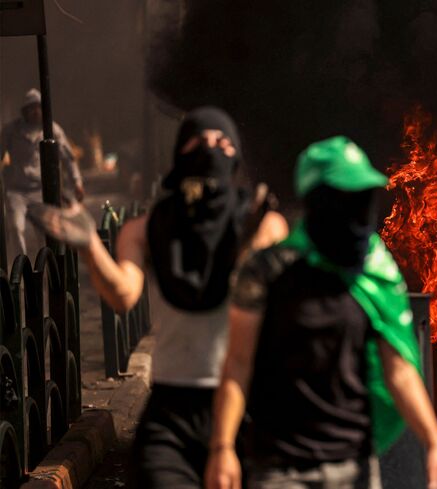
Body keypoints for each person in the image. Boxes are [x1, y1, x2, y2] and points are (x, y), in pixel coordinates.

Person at [29, 107, 288, 488]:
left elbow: (258, 302)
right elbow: (122, 295)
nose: (211, 148)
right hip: (173, 411)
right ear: (180, 152)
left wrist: (245, 242)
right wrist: (89, 246)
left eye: (223, 141)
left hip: (248, 408)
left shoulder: (263, 222)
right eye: (200, 141)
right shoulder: (147, 228)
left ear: (237, 155)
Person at [205, 136, 437, 489]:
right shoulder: (269, 272)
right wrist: (222, 447)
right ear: (316, 201)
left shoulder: (373, 271)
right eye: (345, 198)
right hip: (280, 466)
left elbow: (398, 368)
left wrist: (434, 442)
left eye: (362, 198)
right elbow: (237, 364)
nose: (356, 210)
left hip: (354, 465)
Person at [0, 88, 84, 261]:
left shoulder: (52, 130)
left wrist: (76, 182)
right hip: (17, 191)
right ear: (25, 111)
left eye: (38, 107)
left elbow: (68, 157)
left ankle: (45, 275)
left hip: (41, 190)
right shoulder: (12, 130)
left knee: (45, 236)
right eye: (31, 108)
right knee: (16, 228)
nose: (35, 111)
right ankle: (21, 271)